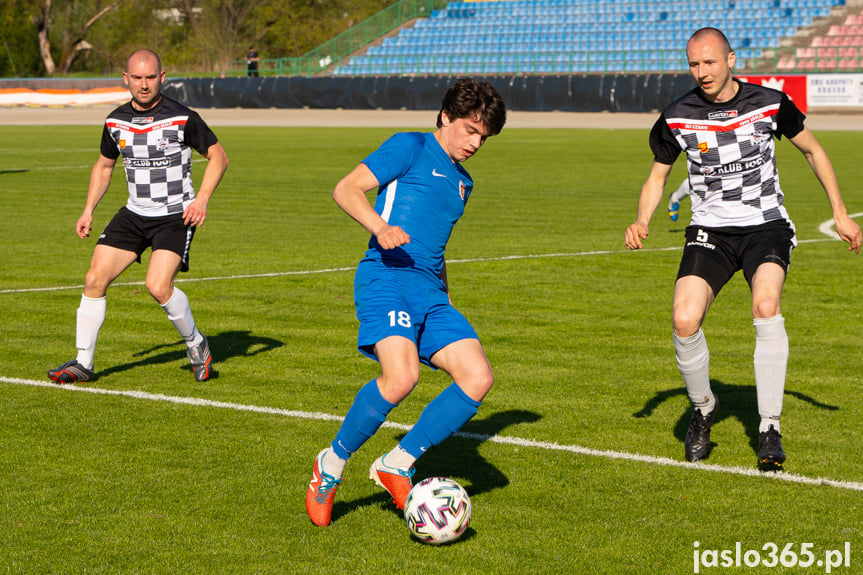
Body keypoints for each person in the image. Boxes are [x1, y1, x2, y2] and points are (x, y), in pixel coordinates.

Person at [624, 28, 861, 469]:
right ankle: (703, 409)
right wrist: (643, 219)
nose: (702, 72)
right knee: (683, 318)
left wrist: (841, 212)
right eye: (694, 64)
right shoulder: (677, 115)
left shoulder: (770, 102)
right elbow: (657, 176)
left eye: (710, 62)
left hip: (765, 226)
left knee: (766, 304)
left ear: (731, 59)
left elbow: (814, 151)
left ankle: (769, 426)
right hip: (710, 231)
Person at [305, 78, 507, 527]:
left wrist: (446, 295)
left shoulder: (463, 183)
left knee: (477, 377)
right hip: (386, 277)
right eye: (471, 130)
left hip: (430, 292)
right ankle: (331, 466)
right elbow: (346, 189)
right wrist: (380, 228)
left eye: (484, 136)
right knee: (401, 378)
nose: (476, 142)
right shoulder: (410, 146)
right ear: (445, 117)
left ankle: (396, 462)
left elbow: (437, 246)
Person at [48, 49, 229, 384]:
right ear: (126, 79)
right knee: (94, 280)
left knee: (158, 287)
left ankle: (196, 344)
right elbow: (104, 166)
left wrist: (201, 199)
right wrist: (88, 209)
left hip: (175, 216)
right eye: (137, 78)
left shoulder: (182, 117)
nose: (144, 85)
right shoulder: (115, 121)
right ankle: (83, 363)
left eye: (150, 78)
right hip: (133, 214)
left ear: (162, 77)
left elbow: (218, 156)